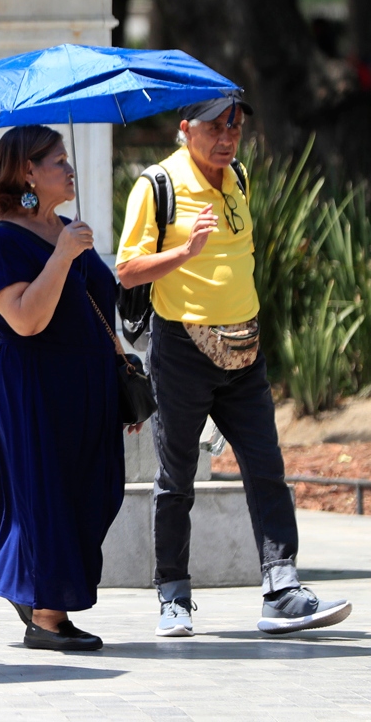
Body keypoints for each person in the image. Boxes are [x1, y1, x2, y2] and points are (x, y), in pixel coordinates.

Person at [116, 97, 353, 637]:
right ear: (185, 129)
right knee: (176, 478)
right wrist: (185, 251)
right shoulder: (157, 186)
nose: (227, 137)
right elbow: (128, 272)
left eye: (236, 126)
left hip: (244, 349)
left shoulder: (238, 176)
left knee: (267, 466)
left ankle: (282, 590)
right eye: (215, 126)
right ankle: (173, 595)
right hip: (181, 350)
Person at [0, 124, 125, 652]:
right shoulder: (4, 241)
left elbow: (98, 309)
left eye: (67, 158)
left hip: (88, 383)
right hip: (34, 384)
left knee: (94, 490)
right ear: (27, 173)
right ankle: (45, 613)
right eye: (56, 161)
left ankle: (37, 592)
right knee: (46, 495)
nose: (69, 168)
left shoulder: (67, 229)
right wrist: (62, 254)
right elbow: (25, 320)